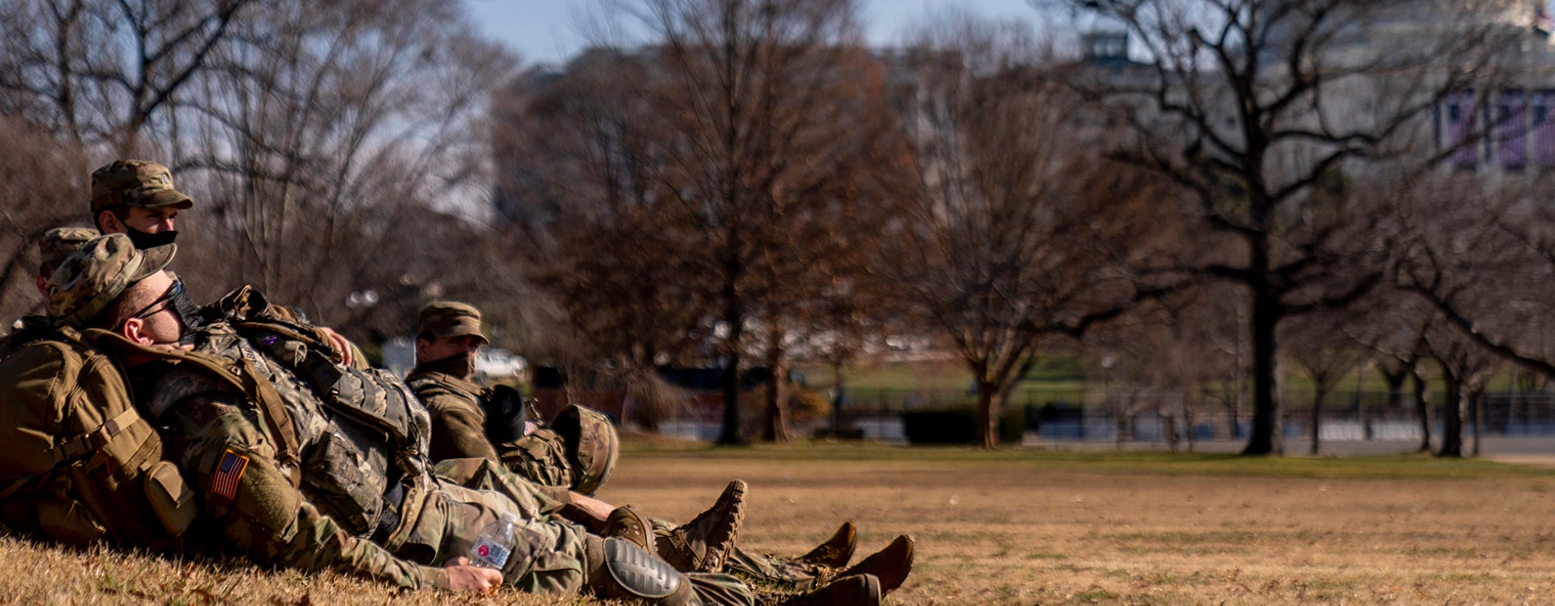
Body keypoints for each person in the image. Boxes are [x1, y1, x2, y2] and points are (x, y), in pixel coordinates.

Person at [44, 235, 896, 604]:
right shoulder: (202, 416)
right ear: (132, 330)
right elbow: (297, 537)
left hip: (425, 500)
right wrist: (430, 585)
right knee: (601, 565)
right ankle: (764, 600)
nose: (187, 307)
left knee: (601, 557)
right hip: (422, 536)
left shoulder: (208, 360)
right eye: (170, 302)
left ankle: (769, 591)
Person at [407, 300, 913, 602]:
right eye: (455, 343)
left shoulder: (469, 393)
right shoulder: (440, 398)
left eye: (473, 343)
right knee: (662, 552)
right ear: (423, 345)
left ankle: (804, 573)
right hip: (522, 518)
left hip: (535, 506)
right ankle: (797, 587)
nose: (468, 352)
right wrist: (567, 498)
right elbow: (487, 478)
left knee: (674, 539)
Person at [86, 160, 360, 366]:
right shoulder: (94, 284)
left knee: (338, 349)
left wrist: (296, 330)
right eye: (154, 217)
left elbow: (197, 324)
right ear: (110, 223)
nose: (168, 229)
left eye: (172, 217)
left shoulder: (152, 272)